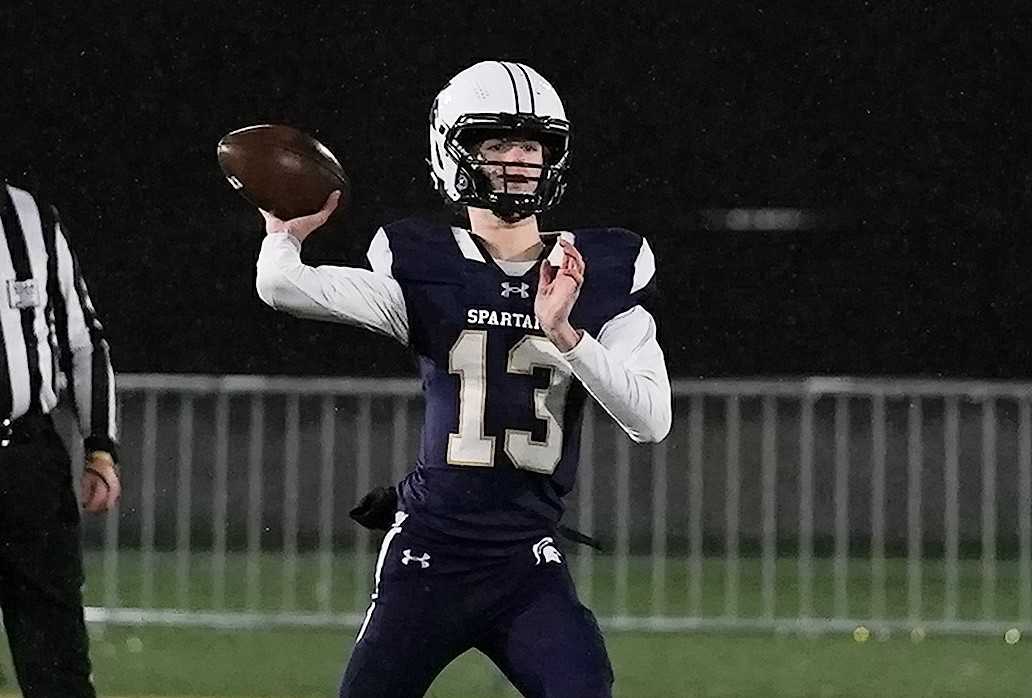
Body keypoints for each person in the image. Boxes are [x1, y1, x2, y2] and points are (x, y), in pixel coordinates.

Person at [255, 60, 670, 698]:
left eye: (531, 144)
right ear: (452, 151)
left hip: (526, 561)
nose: (517, 159)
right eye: (495, 142)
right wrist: (283, 234)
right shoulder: (426, 264)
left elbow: (650, 419)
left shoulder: (594, 271)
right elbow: (282, 285)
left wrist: (565, 334)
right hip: (430, 552)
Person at [0, 182, 121, 697]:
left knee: (56, 655)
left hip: (27, 461)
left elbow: (83, 340)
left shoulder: (29, 217)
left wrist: (100, 448)